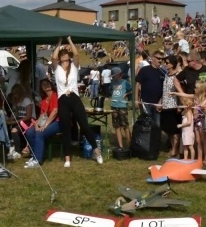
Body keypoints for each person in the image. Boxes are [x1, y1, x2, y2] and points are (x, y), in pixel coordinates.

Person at [52, 36, 103, 167]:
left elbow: (76, 54)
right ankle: (67, 159)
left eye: (65, 54)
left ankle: (96, 151)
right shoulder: (57, 68)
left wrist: (69, 41)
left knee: (84, 126)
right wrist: (59, 42)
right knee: (66, 129)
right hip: (63, 99)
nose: (64, 55)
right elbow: (53, 57)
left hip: (74, 98)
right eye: (62, 54)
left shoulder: (74, 67)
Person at [23, 79, 62, 168]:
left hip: (58, 121)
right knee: (29, 132)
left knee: (39, 133)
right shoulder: (44, 100)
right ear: (41, 88)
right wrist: (36, 124)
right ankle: (36, 154)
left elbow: (55, 111)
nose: (46, 86)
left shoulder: (55, 95)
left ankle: (37, 160)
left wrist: (45, 125)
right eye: (43, 85)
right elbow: (42, 115)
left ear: (51, 85)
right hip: (47, 121)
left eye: (47, 83)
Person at [135, 50, 165, 127]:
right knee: (146, 124)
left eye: (162, 59)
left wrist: (161, 101)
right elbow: (137, 84)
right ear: (152, 58)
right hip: (145, 102)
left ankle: (156, 135)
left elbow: (164, 89)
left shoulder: (163, 72)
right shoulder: (144, 70)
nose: (160, 60)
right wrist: (136, 100)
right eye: (158, 58)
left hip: (157, 103)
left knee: (157, 125)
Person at [109, 67, 131, 149]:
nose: (113, 77)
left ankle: (130, 145)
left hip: (122, 106)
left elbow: (131, 90)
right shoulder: (112, 83)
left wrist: (127, 94)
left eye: (114, 75)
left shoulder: (125, 82)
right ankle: (120, 146)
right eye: (112, 76)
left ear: (119, 75)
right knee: (117, 126)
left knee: (125, 126)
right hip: (114, 106)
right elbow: (110, 90)